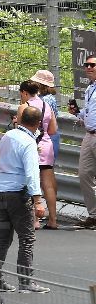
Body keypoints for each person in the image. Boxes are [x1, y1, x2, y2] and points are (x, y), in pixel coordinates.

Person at [0, 105, 49, 292]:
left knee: (3, 237)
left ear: (20, 118)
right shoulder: (28, 143)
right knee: (27, 238)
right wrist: (38, 201)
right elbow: (32, 174)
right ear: (38, 123)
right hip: (17, 195)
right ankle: (25, 281)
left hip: (1, 192)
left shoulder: (8, 136)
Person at [14, 76, 59, 229]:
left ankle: (34, 220)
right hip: (46, 145)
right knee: (48, 184)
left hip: (30, 145)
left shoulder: (24, 106)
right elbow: (53, 130)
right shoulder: (47, 105)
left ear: (24, 92)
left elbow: (20, 129)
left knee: (31, 181)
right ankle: (53, 220)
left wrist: (15, 122)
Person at [70, 54, 96, 229]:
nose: (88, 68)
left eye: (92, 65)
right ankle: (94, 215)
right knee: (84, 173)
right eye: (86, 65)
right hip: (89, 134)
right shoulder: (90, 88)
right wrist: (77, 113)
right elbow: (89, 114)